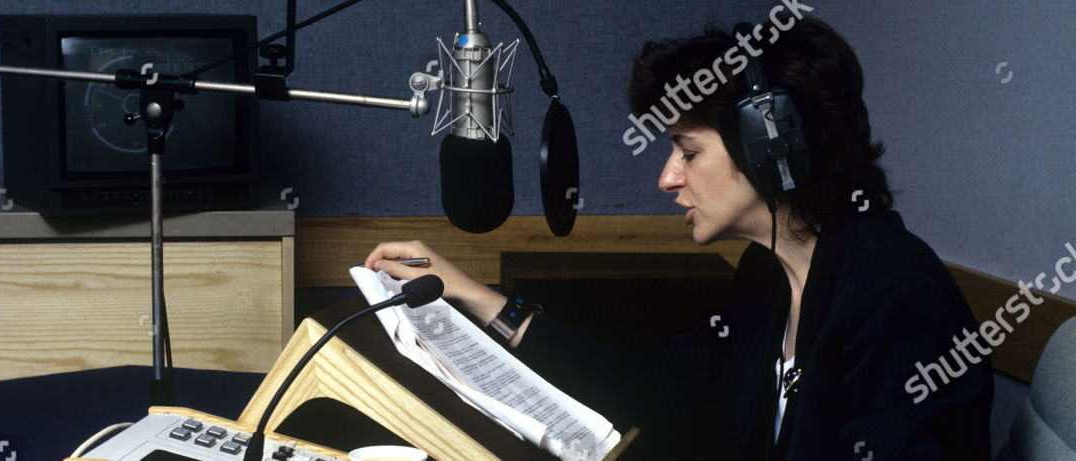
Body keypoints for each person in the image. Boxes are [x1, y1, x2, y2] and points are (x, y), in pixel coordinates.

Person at [364, 17, 992, 461]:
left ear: (770, 145)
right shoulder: (768, 276)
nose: (667, 178)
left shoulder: (898, 299)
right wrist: (474, 296)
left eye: (688, 152)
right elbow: (653, 391)